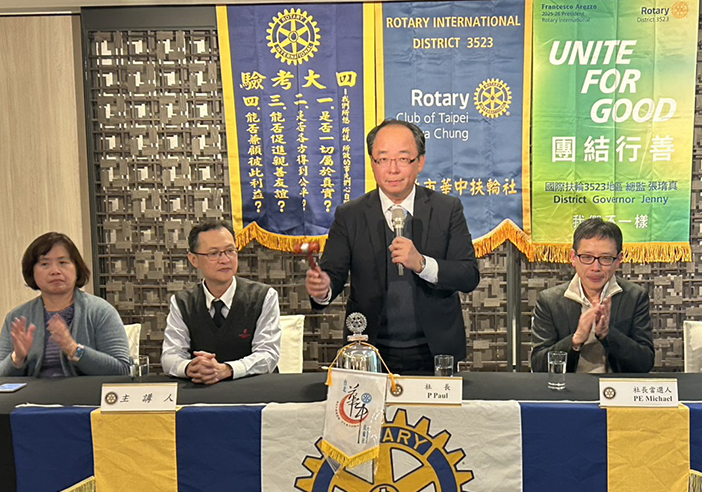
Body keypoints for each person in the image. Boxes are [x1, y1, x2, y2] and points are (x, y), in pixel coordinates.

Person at [305, 119, 480, 374]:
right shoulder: (350, 215)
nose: (393, 169)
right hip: (369, 351)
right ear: (372, 163)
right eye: (383, 159)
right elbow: (333, 276)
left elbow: (468, 276)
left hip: (435, 352)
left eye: (403, 159)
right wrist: (322, 289)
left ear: (420, 162)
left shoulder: (446, 209)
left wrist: (422, 264)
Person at [0, 232, 131, 377]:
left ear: (76, 268)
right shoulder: (18, 317)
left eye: (63, 262)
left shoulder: (100, 311)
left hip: (87, 392)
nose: (55, 271)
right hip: (32, 392)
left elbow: (122, 370)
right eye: (45, 264)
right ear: (32, 272)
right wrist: (17, 358)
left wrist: (74, 350)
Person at [161, 220, 281, 384]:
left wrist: (227, 369)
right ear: (194, 259)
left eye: (230, 251)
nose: (225, 259)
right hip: (202, 390)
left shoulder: (263, 296)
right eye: (214, 253)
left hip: (254, 390)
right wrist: (190, 367)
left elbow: (268, 354)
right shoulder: (183, 302)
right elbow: (170, 355)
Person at [531, 218, 654, 373]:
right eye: (587, 257)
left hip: (616, 386)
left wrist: (608, 334)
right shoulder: (550, 301)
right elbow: (539, 365)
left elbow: (645, 363)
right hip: (570, 386)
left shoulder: (635, 297)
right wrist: (576, 340)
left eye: (605, 258)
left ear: (619, 260)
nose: (596, 267)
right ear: (573, 258)